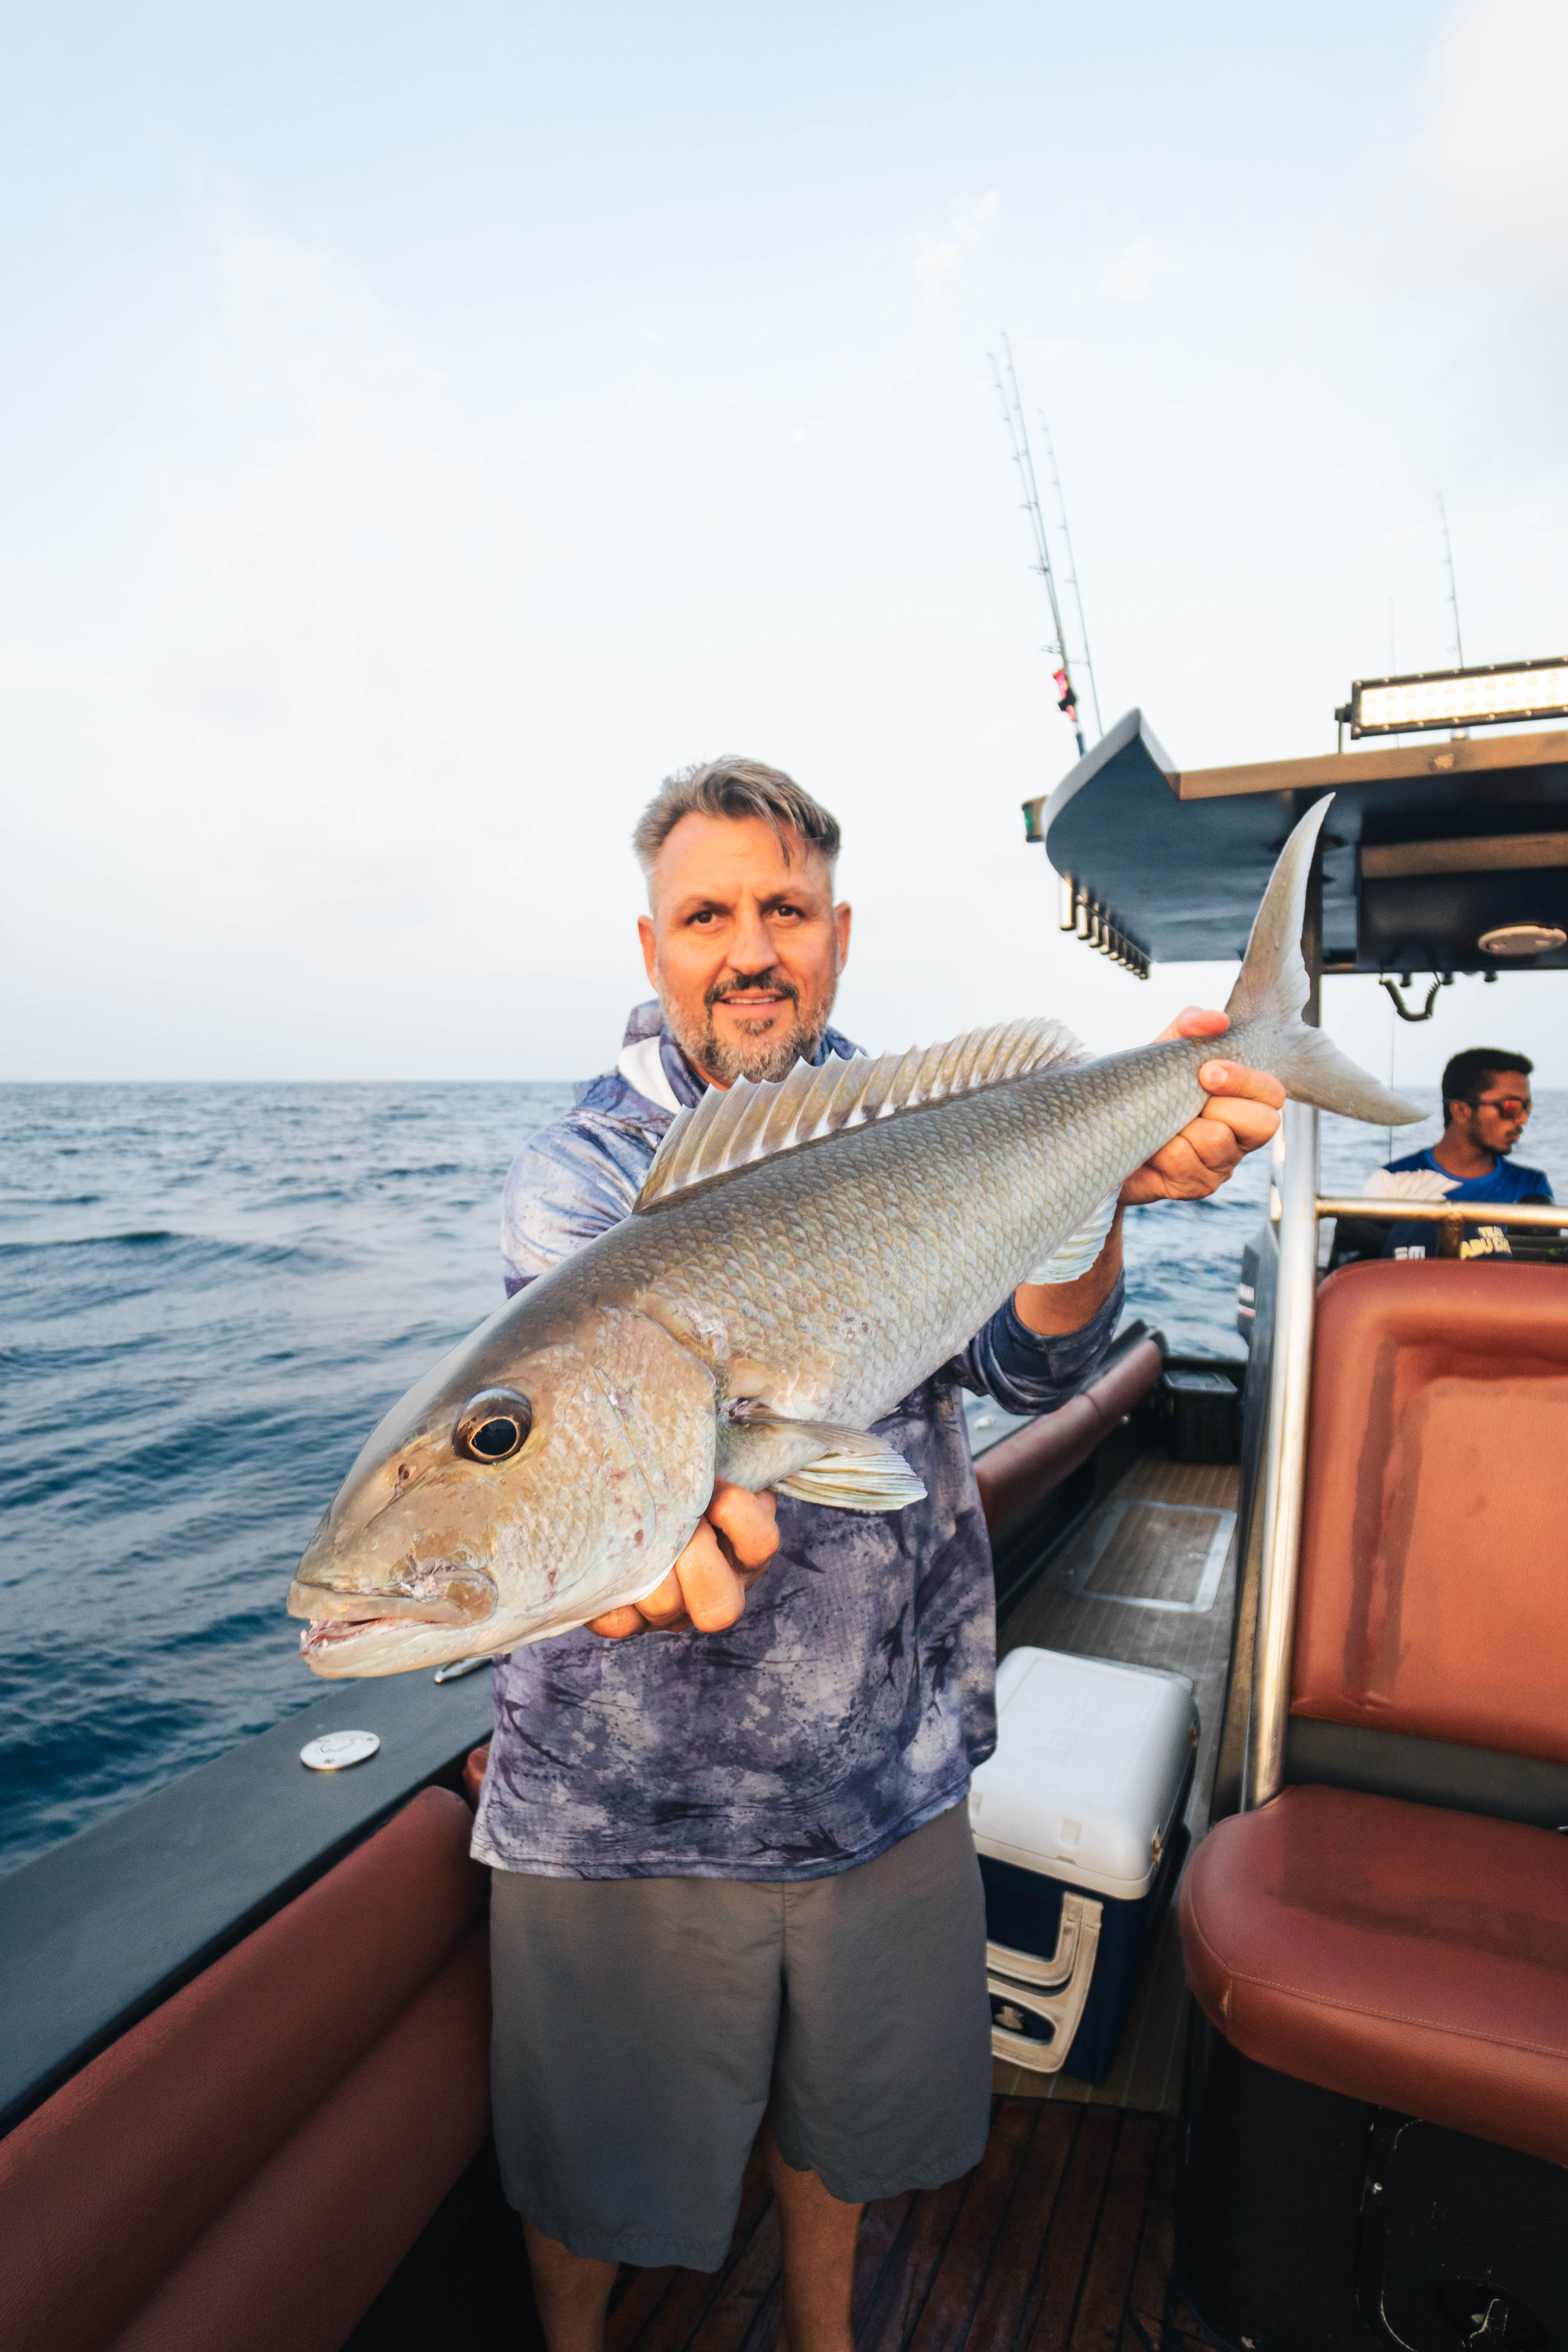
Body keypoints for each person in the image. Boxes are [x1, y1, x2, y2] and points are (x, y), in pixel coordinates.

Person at [475, 757, 1282, 2352]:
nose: (749, 946)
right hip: (623, 1811)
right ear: (652, 950)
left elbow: (1042, 1366)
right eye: (706, 913)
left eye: (783, 908)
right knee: (586, 2176)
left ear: (837, 936)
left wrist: (1098, 1188)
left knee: (837, 2133)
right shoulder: (581, 1178)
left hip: (883, 1775)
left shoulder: (939, 1118)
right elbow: (610, 1454)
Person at [1364, 1048, 1552, 1259]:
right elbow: (1352, 1274)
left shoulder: (1531, 1187)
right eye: (1511, 1107)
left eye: (1527, 1108)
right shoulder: (1392, 1182)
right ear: (1461, 1111)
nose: (1523, 1120)